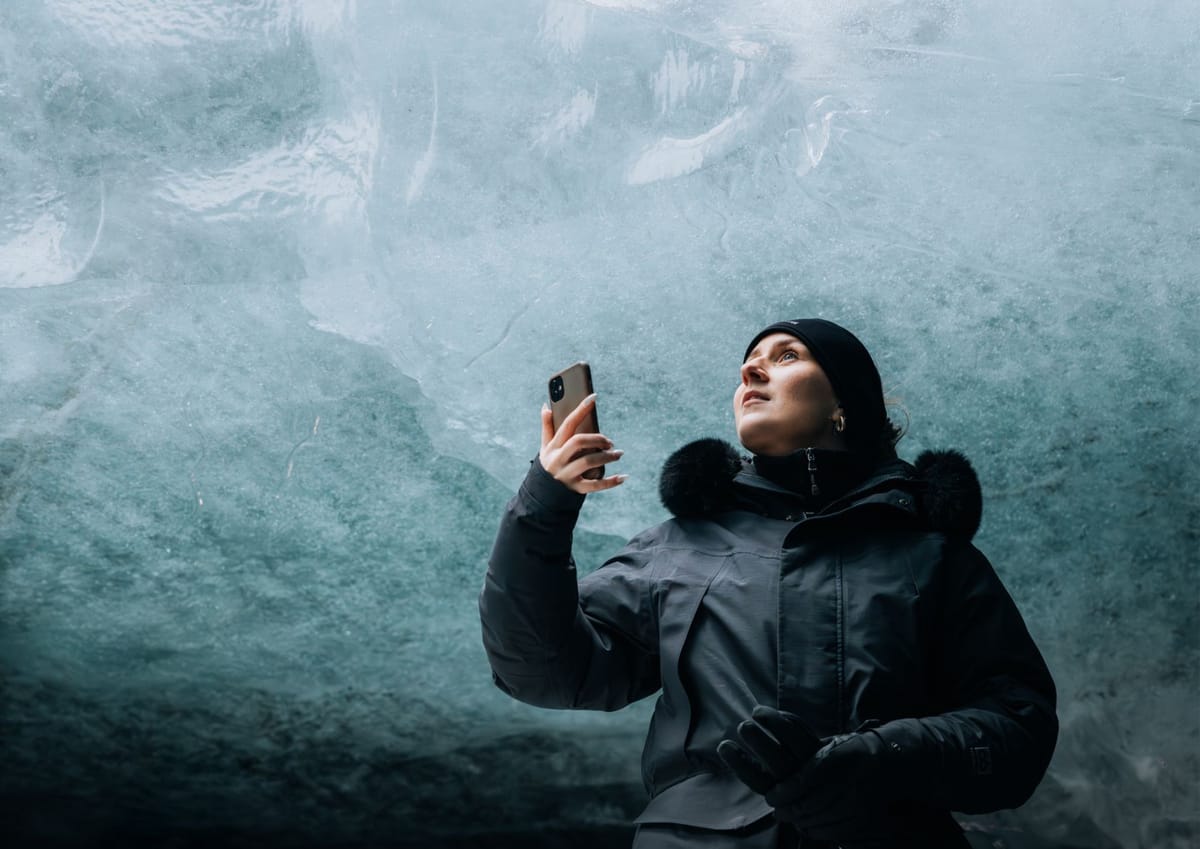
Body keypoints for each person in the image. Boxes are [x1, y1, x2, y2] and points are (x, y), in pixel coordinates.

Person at [479, 318, 1058, 848]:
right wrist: (545, 505)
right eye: (749, 362)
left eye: (786, 356)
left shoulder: (934, 557)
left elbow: (1018, 730)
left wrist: (883, 760)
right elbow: (544, 671)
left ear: (844, 403)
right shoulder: (676, 547)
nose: (751, 371)